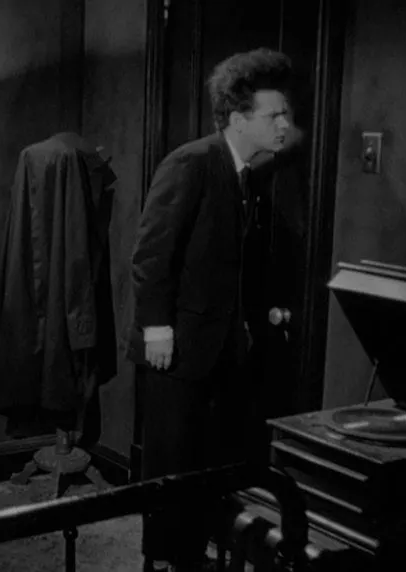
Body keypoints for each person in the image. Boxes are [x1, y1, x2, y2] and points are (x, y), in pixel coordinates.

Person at [127, 48, 298, 571]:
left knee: (206, 459)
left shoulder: (248, 175)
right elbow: (151, 255)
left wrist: (263, 315)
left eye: (285, 115)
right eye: (275, 116)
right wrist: (157, 327)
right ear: (239, 118)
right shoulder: (192, 163)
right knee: (170, 461)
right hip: (176, 346)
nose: (285, 125)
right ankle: (161, 558)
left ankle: (192, 553)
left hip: (220, 348)